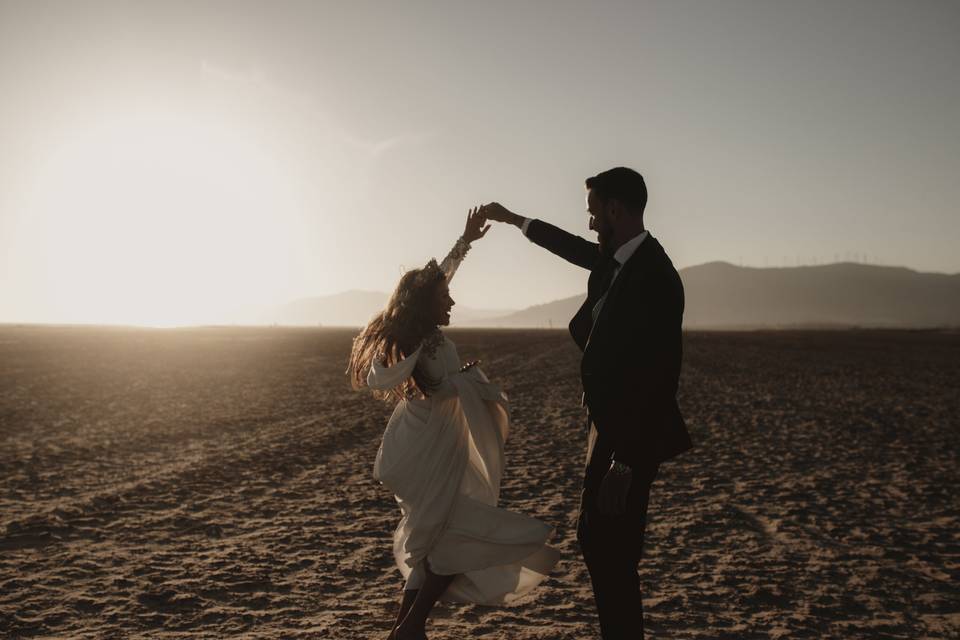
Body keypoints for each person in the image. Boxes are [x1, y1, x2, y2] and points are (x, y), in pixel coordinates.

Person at [481, 167, 693, 639]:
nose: (591, 224)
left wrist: (626, 460)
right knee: (597, 543)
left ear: (616, 209)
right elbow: (568, 245)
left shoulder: (656, 276)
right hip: (609, 430)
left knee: (611, 550)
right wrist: (514, 219)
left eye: (595, 213)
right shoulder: (616, 261)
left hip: (629, 442)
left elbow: (661, 378)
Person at [347, 207, 560, 640]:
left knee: (436, 541)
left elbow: (438, 282)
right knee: (449, 540)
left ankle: (404, 630)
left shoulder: (429, 331)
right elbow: (435, 386)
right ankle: (411, 628)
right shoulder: (414, 340)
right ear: (428, 305)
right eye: (445, 299)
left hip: (442, 444)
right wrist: (462, 381)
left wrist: (463, 242)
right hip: (428, 447)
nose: (453, 301)